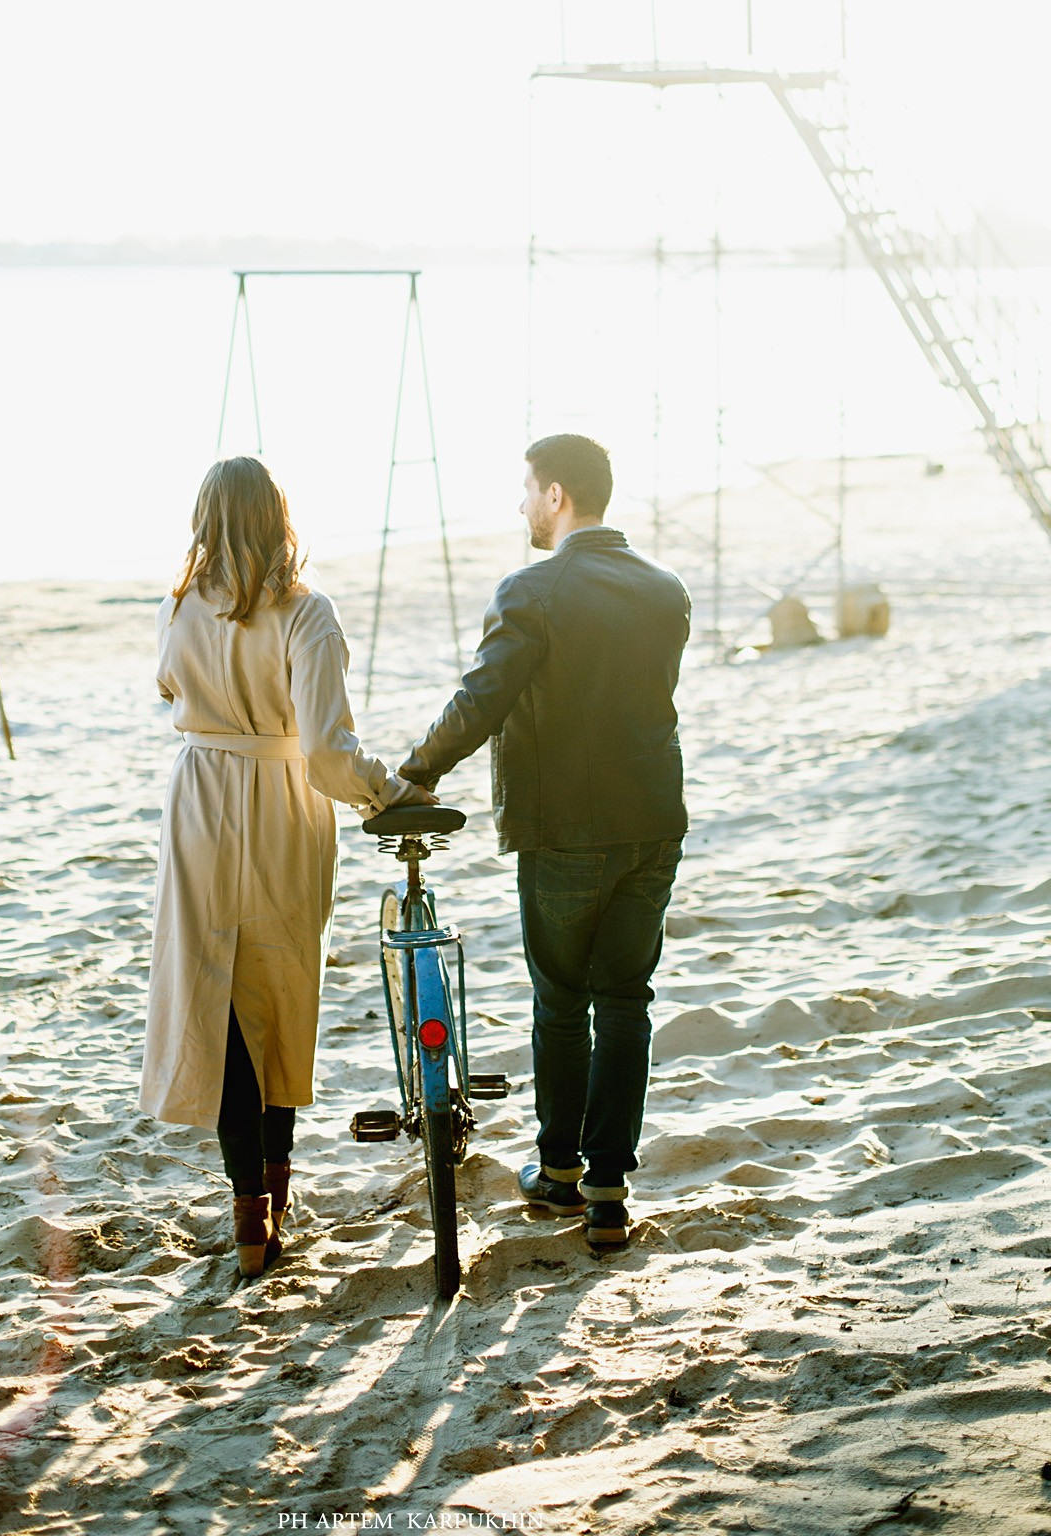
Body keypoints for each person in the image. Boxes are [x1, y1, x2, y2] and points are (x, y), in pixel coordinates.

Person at [139, 457, 433, 1277]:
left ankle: (247, 1216)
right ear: (277, 518)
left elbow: (169, 687)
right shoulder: (307, 611)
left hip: (199, 800)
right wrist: (388, 790)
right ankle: (276, 1184)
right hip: (278, 807)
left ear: (206, 520)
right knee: (278, 993)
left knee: (218, 996)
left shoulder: (177, 606)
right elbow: (328, 753)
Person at [399, 433, 689, 1247]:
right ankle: (608, 1191)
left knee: (562, 1001)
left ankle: (559, 1172)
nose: (521, 505)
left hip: (564, 830)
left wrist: (420, 771)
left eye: (527, 490)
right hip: (653, 822)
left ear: (556, 494)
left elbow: (482, 698)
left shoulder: (534, 589)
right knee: (627, 1000)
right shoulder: (665, 589)